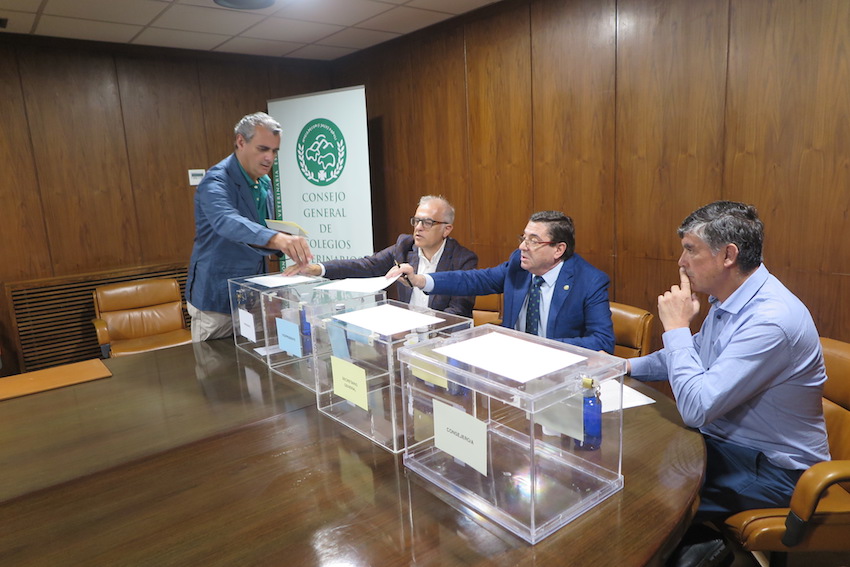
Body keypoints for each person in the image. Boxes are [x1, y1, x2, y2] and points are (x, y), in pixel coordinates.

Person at [627, 201, 830, 565]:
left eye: (690, 250)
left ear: (728, 255)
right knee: (635, 462)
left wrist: (675, 328)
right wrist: (621, 366)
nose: (681, 262)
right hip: (727, 447)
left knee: (644, 496)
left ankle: (708, 554)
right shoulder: (729, 300)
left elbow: (696, 408)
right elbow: (690, 356)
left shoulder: (771, 320)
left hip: (776, 471)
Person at [387, 210, 615, 352]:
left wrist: (543, 347)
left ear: (559, 249)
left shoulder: (589, 281)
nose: (522, 247)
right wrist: (420, 280)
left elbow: (603, 341)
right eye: (523, 238)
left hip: (560, 373)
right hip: (510, 364)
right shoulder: (520, 264)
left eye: (533, 241)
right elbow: (475, 280)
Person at [186, 112, 312, 342]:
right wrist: (277, 239)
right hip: (217, 300)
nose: (269, 158)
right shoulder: (215, 181)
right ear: (241, 142)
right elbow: (226, 220)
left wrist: (288, 242)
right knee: (215, 372)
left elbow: (260, 228)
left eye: (274, 151)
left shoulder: (264, 181)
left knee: (254, 370)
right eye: (263, 149)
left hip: (255, 295)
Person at [285, 195, 478, 317]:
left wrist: (425, 331)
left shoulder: (463, 260)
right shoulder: (405, 247)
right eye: (416, 221)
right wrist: (318, 269)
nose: (418, 228)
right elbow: (366, 265)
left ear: (447, 229)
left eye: (427, 222)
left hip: (441, 341)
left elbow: (458, 311)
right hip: (405, 337)